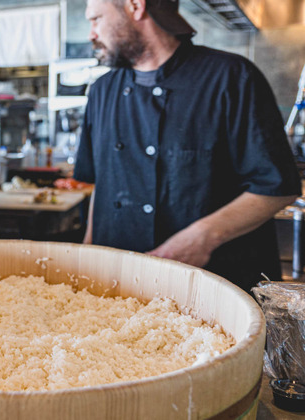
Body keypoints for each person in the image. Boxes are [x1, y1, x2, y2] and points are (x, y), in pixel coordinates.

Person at [73, 0, 301, 293]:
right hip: (118, 290)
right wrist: (86, 258)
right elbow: (102, 188)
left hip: (216, 291)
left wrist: (203, 237)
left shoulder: (231, 77)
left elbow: (278, 187)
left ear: (135, 6)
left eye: (96, 19)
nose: (92, 33)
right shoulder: (102, 91)